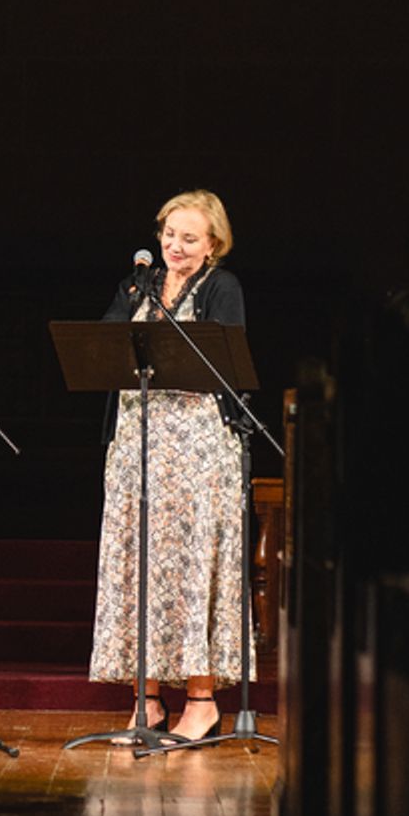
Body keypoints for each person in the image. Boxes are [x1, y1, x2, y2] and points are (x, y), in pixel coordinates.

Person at [89, 188, 249, 744]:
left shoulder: (220, 288)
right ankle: (148, 703)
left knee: (189, 566)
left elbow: (225, 358)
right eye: (168, 235)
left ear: (212, 245)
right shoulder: (140, 284)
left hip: (198, 449)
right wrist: (137, 299)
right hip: (137, 445)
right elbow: (104, 346)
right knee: (140, 566)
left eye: (188, 238)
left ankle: (201, 703)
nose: (174, 246)